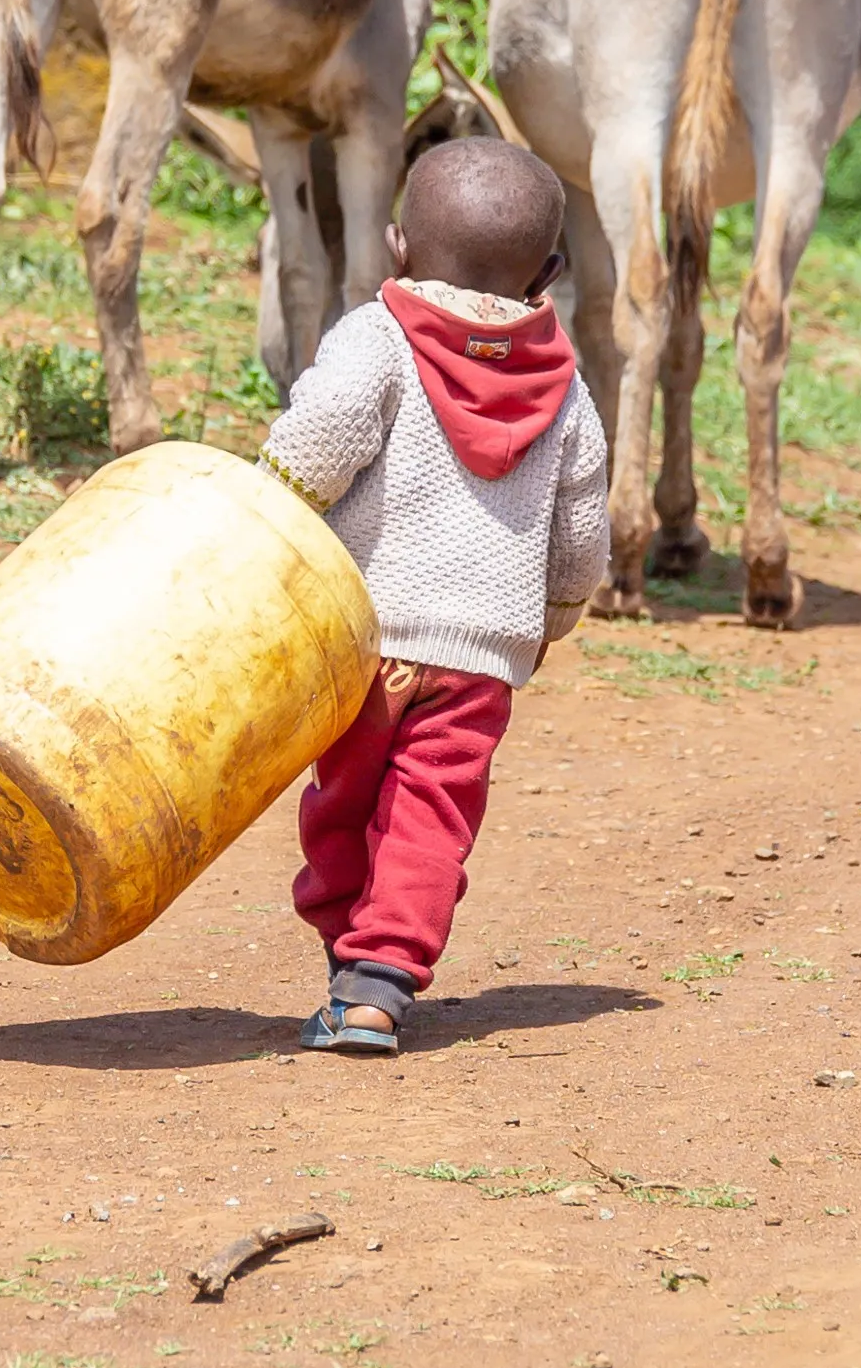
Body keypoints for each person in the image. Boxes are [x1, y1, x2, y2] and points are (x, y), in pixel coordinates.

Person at [256, 136, 614, 1056]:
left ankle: (350, 954)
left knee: (343, 801)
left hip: (361, 641)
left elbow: (315, 446)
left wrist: (266, 519)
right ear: (552, 271)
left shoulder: (378, 337)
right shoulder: (566, 387)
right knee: (431, 814)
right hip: (482, 653)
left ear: (396, 246)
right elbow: (580, 537)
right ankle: (378, 981)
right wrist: (552, 622)